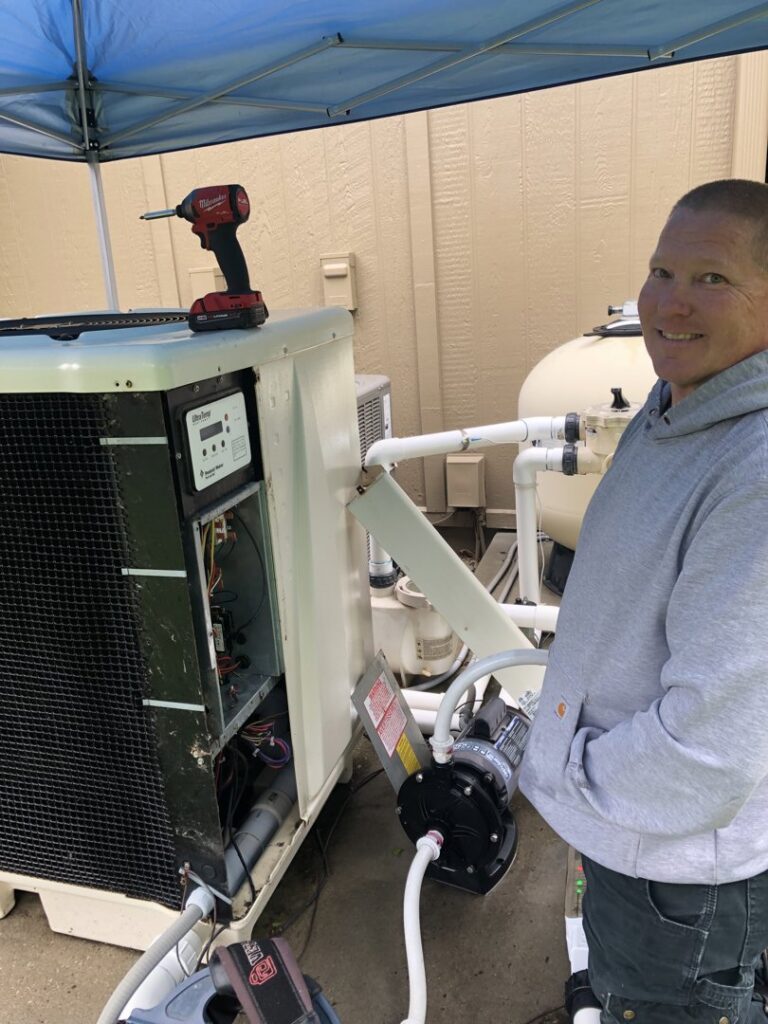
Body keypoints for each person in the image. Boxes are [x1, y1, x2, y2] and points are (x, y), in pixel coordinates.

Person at [519, 177, 768, 1024]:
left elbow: (709, 753)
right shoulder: (677, 406)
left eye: (712, 280)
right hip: (635, 838)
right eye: (661, 271)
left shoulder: (754, 468)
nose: (670, 303)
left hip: (681, 880)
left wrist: (567, 773)